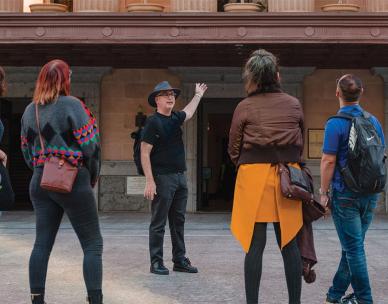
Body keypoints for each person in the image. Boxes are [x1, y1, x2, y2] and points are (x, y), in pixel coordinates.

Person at [20, 60, 103, 304]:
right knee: (92, 243)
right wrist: (91, 177)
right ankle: (95, 300)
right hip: (73, 179)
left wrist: (41, 169)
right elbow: (92, 147)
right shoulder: (73, 105)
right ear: (65, 79)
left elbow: (25, 150)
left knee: (41, 244)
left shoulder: (29, 110)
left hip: (40, 180)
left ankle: (37, 300)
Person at [228, 49, 304, 304]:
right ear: (277, 76)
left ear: (253, 78)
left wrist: (246, 163)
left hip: (253, 178)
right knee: (290, 245)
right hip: (287, 178)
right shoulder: (293, 103)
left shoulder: (245, 106)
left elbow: (233, 148)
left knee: (254, 246)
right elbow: (300, 141)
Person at [321, 74, 385, 304]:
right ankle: (335, 294)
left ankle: (364, 299)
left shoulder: (335, 123)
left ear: (338, 93)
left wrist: (322, 193)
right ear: (362, 92)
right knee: (352, 246)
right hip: (370, 194)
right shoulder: (374, 121)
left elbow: (328, 161)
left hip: (345, 194)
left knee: (354, 249)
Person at [141, 80, 207, 275]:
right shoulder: (153, 122)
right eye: (165, 94)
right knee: (159, 222)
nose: (171, 97)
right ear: (156, 100)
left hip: (180, 178)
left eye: (172, 94)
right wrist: (150, 180)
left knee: (178, 222)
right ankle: (156, 262)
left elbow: (189, 112)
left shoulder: (175, 118)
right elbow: (145, 152)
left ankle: (179, 260)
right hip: (162, 178)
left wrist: (198, 95)